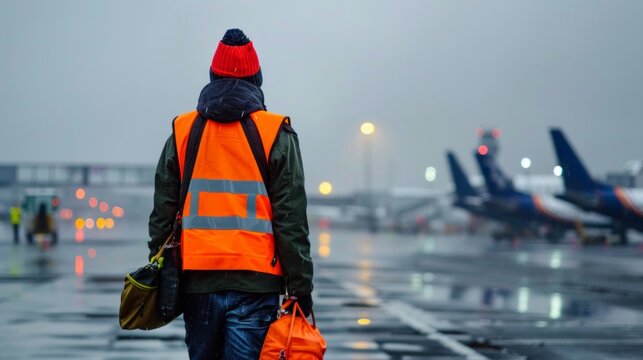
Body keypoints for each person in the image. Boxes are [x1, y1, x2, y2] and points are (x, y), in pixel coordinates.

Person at [147, 28, 314, 360]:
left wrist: (162, 268)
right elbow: (290, 219)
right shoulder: (275, 133)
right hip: (256, 284)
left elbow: (162, 212)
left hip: (198, 283)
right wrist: (300, 287)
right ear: (258, 79)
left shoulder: (183, 130)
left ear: (212, 76)